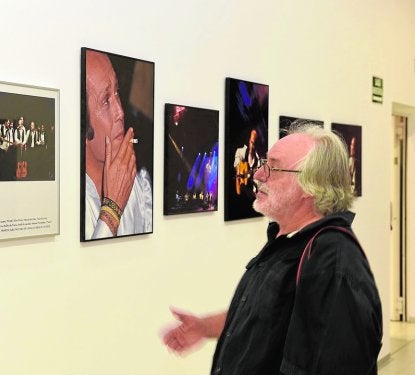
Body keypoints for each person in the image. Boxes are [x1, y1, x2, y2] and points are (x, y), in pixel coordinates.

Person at [162, 122, 382, 375]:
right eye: (263, 164)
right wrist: (203, 327)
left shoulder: (332, 261)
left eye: (273, 167)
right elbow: (267, 316)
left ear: (311, 185)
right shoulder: (287, 241)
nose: (257, 175)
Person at [83, 49, 152, 240]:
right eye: (106, 100)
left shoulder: (136, 182)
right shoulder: (69, 198)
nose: (120, 112)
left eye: (117, 93)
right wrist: (112, 209)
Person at [233, 129, 261, 196]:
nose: (252, 145)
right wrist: (248, 173)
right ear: (248, 140)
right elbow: (237, 167)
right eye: (251, 142)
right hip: (241, 195)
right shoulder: (240, 152)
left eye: (254, 143)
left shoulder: (258, 159)